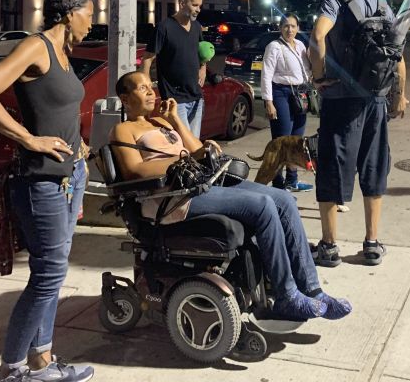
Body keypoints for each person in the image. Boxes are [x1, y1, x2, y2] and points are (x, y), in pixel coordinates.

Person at [110, 70, 352, 322]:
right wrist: (181, 162)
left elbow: (196, 150)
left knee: (284, 200)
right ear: (125, 99)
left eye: (151, 86)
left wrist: (176, 121)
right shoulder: (123, 130)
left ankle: (312, 289)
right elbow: (134, 170)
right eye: (142, 88)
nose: (151, 91)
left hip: (199, 184)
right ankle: (287, 295)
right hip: (171, 199)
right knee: (262, 206)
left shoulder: (162, 122)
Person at [0, 0, 95, 382]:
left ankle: (41, 360)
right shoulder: (36, 47)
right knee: (49, 274)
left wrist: (78, 142)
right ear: (68, 14)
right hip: (41, 182)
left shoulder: (64, 54)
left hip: (69, 179)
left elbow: (56, 107)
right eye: (88, 13)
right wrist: (28, 138)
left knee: (53, 271)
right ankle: (13, 367)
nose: (92, 21)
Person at [309, 0, 393, 268]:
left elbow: (317, 37)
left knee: (332, 166)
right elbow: (396, 53)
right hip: (376, 100)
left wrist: (318, 77)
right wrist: (399, 95)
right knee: (374, 166)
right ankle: (372, 244)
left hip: (341, 98)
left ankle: (330, 246)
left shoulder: (335, 1)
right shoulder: (383, 7)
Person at [140, 0, 206, 138]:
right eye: (195, 5)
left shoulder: (196, 27)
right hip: (174, 100)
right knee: (183, 144)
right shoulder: (164, 27)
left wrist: (203, 68)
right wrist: (145, 88)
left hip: (196, 97)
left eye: (200, 6)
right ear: (182, 3)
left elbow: (202, 52)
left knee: (194, 143)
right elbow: (147, 59)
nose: (198, 10)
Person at [260, 14, 313, 192]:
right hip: (281, 93)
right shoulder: (274, 46)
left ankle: (292, 181)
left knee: (297, 142)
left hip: (300, 94)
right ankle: (277, 185)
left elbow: (307, 68)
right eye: (286, 26)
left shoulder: (300, 45)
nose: (289, 30)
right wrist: (269, 101)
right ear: (280, 28)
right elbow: (266, 74)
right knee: (281, 141)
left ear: (298, 28)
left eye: (293, 26)